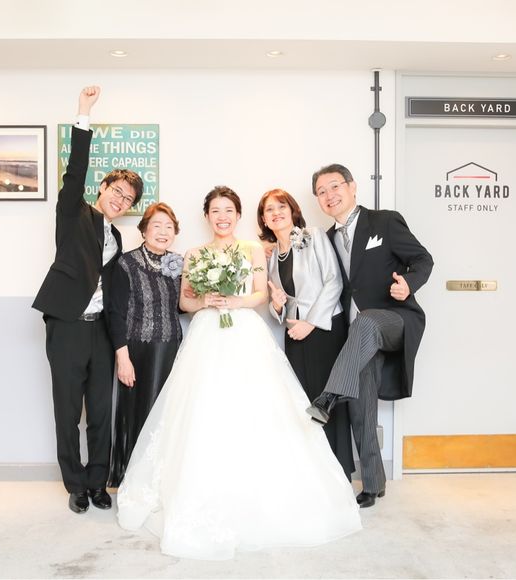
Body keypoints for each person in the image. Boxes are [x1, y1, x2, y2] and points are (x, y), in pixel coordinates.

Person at [116, 186, 361, 561]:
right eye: (215, 211)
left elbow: (261, 293)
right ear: (207, 216)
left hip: (245, 331)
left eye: (228, 210)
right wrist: (205, 300)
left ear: (238, 214)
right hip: (206, 333)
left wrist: (234, 301)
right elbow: (185, 300)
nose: (222, 217)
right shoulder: (195, 254)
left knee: (255, 409)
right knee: (204, 411)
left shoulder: (252, 250)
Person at [32, 86, 143, 514]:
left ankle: (98, 483)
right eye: (117, 191)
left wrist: (118, 345)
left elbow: (113, 296)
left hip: (100, 333)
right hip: (66, 325)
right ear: (103, 187)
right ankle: (75, 484)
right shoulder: (72, 212)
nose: (120, 200)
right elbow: (74, 170)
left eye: (128, 199)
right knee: (67, 411)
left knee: (100, 411)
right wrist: (83, 112)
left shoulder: (118, 237)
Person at [306, 164, 433, 508]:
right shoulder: (327, 240)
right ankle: (373, 484)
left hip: (395, 320)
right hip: (359, 339)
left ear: (352, 187)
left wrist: (409, 284)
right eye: (321, 192)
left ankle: (328, 397)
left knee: (366, 322)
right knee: (361, 408)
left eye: (335, 186)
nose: (329, 195)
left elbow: (423, 259)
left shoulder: (384, 221)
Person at [257, 188, 354, 480]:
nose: (276, 213)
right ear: (264, 220)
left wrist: (310, 323)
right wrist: (276, 306)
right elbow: (279, 304)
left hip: (324, 328)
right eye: (269, 210)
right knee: (304, 403)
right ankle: (317, 475)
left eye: (281, 206)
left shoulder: (313, 236)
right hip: (295, 335)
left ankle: (340, 472)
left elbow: (334, 281)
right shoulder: (271, 258)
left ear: (293, 210)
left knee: (329, 401)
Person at [107, 202, 183, 487]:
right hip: (137, 351)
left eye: (169, 227)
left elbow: (182, 306)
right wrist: (122, 358)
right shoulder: (127, 264)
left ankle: (160, 480)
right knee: (138, 413)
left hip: (172, 349)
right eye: (156, 226)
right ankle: (133, 480)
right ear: (143, 230)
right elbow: (115, 313)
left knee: (166, 416)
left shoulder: (179, 263)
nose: (163, 232)